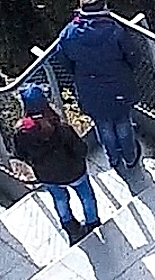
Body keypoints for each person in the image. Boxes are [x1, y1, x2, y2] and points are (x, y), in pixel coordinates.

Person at [46, 0, 148, 180]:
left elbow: (62, 58)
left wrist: (79, 74)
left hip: (89, 88)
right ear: (104, 4)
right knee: (123, 122)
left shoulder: (69, 33)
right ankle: (130, 158)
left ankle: (114, 159)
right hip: (119, 85)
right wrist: (125, 70)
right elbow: (133, 55)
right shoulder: (115, 30)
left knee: (103, 125)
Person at [8, 80, 96, 236]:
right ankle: (92, 222)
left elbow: (20, 155)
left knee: (60, 199)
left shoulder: (21, 132)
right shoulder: (62, 129)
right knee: (85, 195)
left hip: (47, 175)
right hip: (74, 171)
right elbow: (81, 150)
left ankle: (70, 227)